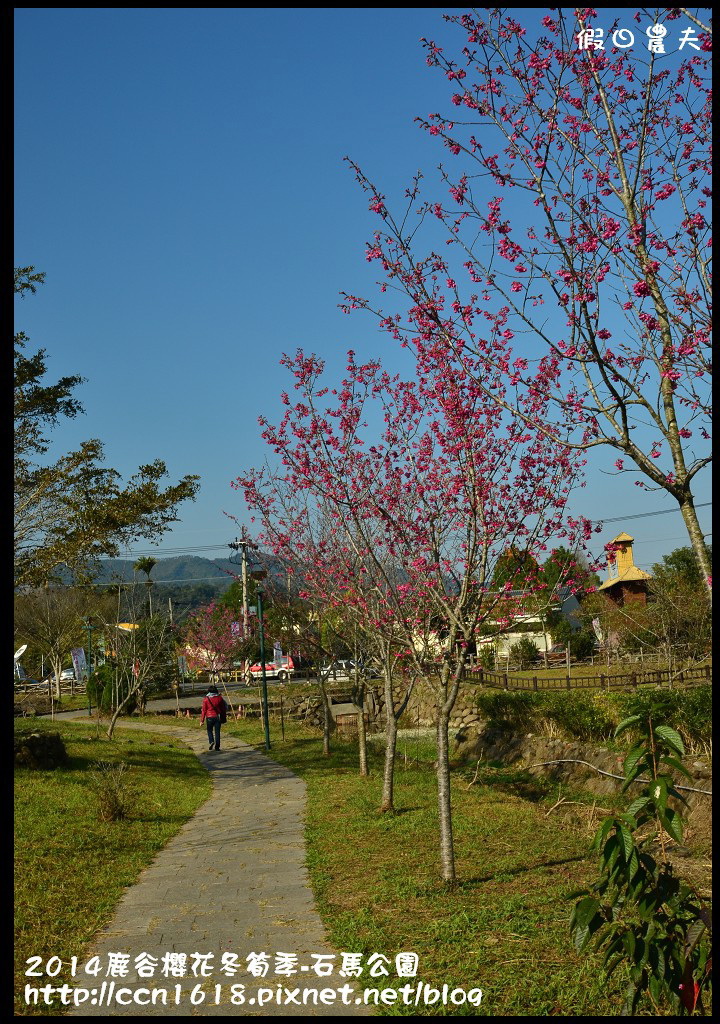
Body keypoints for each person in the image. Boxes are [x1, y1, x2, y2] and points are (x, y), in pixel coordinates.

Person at [200, 685, 227, 751]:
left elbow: (204, 710)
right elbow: (223, 708)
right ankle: (217, 747)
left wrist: (202, 720)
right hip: (217, 717)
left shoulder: (206, 699)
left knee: (209, 730)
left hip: (209, 717)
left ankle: (211, 741)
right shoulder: (219, 698)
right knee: (217, 732)